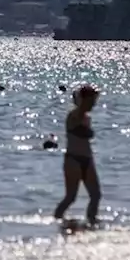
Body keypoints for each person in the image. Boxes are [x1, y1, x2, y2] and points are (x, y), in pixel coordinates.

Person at [53, 85, 101, 228]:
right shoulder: (73, 115)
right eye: (91, 101)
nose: (93, 104)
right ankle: (56, 220)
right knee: (71, 197)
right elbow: (82, 132)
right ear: (83, 100)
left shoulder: (87, 118)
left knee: (96, 195)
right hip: (73, 159)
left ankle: (92, 222)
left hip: (87, 159)